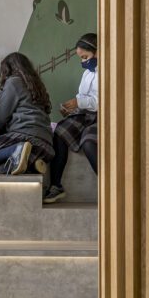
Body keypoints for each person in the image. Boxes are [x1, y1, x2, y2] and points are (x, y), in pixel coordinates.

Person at [0, 52, 54, 175]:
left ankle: (17, 150)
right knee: (7, 166)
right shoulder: (38, 85)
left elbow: (1, 115)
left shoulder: (13, 82)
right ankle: (32, 163)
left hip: (25, 136)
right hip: (45, 143)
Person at [44, 34, 98, 204]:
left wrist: (79, 102)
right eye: (81, 58)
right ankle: (56, 186)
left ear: (98, 51)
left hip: (102, 116)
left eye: (85, 57)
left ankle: (109, 187)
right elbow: (82, 96)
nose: (83, 62)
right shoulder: (87, 74)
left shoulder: (112, 70)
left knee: (89, 141)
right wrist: (71, 106)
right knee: (59, 131)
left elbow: (106, 100)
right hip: (85, 114)